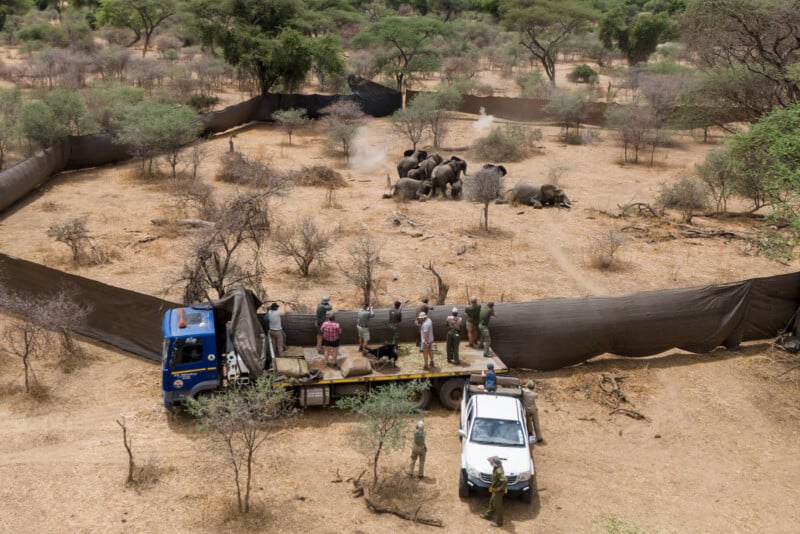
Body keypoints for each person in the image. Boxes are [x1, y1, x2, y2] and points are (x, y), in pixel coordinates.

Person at [480, 456, 507, 527]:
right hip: (494, 490)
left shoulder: (499, 470)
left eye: (491, 462)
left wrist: (500, 488)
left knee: (498, 506)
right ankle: (488, 515)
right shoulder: (496, 468)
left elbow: (505, 480)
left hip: (498, 492)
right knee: (492, 502)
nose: (490, 463)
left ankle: (499, 522)